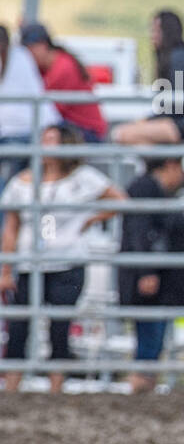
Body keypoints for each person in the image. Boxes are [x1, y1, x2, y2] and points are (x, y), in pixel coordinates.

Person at [0, 125, 126, 392]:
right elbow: (10, 228)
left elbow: (119, 200)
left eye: (52, 140)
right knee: (19, 328)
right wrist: (6, 270)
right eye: (43, 140)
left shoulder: (83, 178)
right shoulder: (22, 182)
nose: (46, 146)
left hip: (67, 262)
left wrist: (91, 218)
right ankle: (12, 388)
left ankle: (55, 389)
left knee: (60, 328)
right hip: (29, 264)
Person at [119, 156, 184, 394]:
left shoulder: (153, 190)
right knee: (150, 338)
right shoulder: (146, 189)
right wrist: (148, 271)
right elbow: (141, 231)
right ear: (170, 165)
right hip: (153, 281)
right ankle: (141, 388)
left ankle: (145, 387)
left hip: (158, 279)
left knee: (151, 339)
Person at [113, 10, 184, 144]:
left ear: (167, 32)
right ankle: (162, 164)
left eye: (155, 31)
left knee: (121, 134)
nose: (152, 36)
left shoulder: (179, 59)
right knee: (134, 133)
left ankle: (162, 163)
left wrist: (148, 121)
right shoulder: (179, 55)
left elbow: (176, 106)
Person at [18, 23, 108, 142]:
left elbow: (47, 112)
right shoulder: (45, 67)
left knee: (26, 141)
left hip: (87, 132)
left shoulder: (63, 67)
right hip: (70, 128)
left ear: (43, 45)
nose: (28, 56)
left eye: (30, 50)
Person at [0, 25, 60, 193]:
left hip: (14, 134)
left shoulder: (16, 56)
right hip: (39, 129)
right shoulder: (22, 55)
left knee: (12, 188)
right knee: (22, 185)